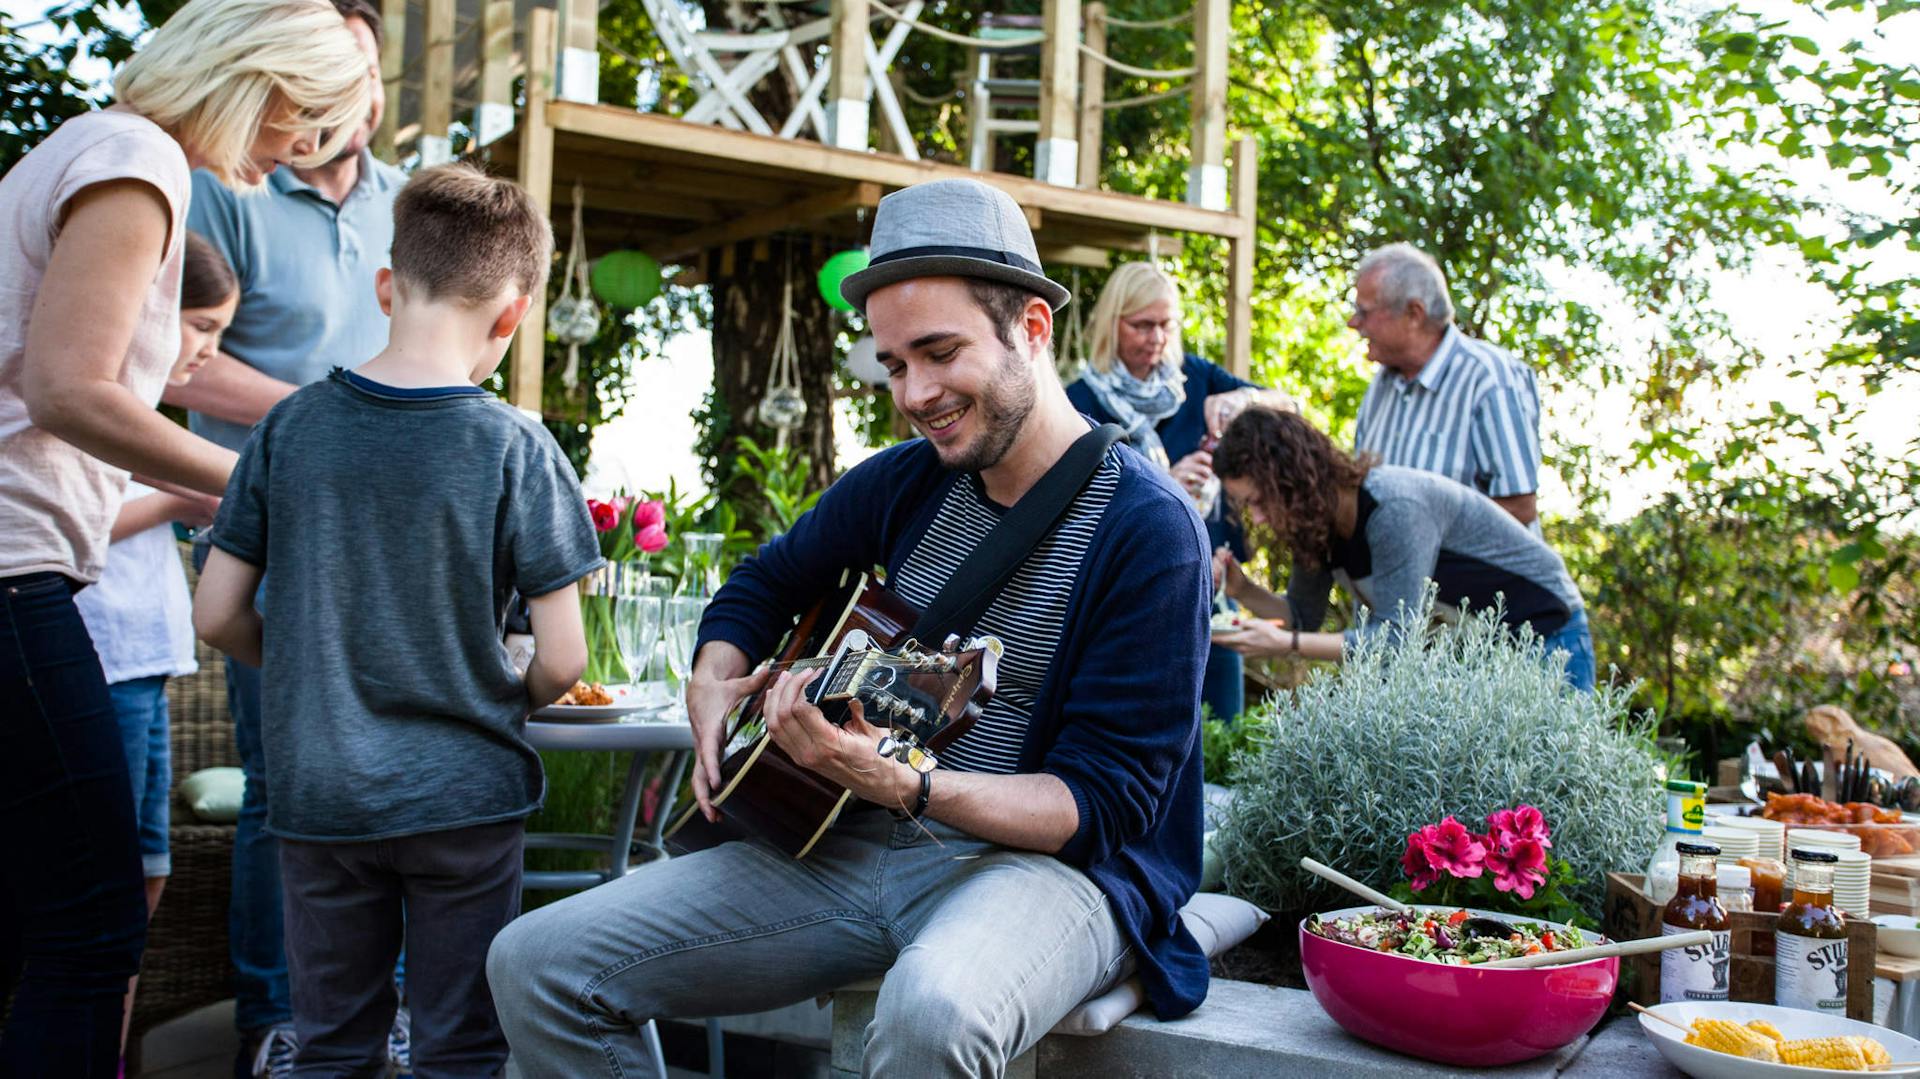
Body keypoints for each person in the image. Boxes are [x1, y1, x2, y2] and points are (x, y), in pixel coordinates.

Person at [486, 178, 1213, 1077]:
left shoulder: (1149, 531)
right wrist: (712, 676)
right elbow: (764, 581)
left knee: (932, 1015)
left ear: (1032, 327)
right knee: (536, 962)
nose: (917, 392)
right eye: (895, 364)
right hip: (854, 838)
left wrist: (908, 782)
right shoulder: (907, 479)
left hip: (1052, 871)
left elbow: (1100, 806)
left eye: (940, 351)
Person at [0, 0, 370, 1070]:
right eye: (305, 122)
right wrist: (270, 481)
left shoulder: (95, 147)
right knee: (95, 922)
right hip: (14, 568)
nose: (300, 150)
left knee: (30, 912)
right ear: (262, 85)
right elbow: (71, 389)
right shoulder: (137, 162)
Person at [193, 162, 601, 1076]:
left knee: (332, 1043)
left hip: (322, 793)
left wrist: (303, 669)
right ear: (512, 315)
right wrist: (503, 691)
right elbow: (564, 657)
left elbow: (216, 614)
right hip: (465, 798)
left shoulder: (289, 428)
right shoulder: (516, 445)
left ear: (386, 286)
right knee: (460, 1046)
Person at [156, 1, 405, 1068]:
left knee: (390, 771)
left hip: (386, 539)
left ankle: (385, 1011)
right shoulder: (228, 185)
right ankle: (275, 1021)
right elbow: (182, 359)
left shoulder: (406, 203)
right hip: (263, 529)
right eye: (327, 73)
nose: (346, 99)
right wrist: (334, 408)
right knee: (286, 780)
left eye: (363, 73)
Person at [74, 232, 237, 1066]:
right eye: (202, 326)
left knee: (149, 869)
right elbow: (82, 522)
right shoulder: (89, 401)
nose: (207, 351)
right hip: (103, 659)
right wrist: (183, 495)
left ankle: (115, 1050)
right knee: (104, 882)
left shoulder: (145, 414)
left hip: (148, 661)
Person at [1208, 407, 1596, 691]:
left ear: (1291, 481)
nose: (1257, 518)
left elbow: (1395, 639)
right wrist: (1243, 590)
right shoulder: (1315, 526)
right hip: (1483, 655)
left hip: (1548, 633)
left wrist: (1288, 645)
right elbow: (1302, 617)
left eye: (1260, 500)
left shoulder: (1393, 507)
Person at [1064, 261, 1293, 723]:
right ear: (1112, 322)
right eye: (1142, 325)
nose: (1157, 338)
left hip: (1210, 588)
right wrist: (1164, 483)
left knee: (1225, 725)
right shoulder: (1079, 401)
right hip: (1128, 594)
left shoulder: (1195, 379)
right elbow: (1075, 505)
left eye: (1166, 324)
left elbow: (1288, 405)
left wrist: (1242, 400)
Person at [1347, 243, 1544, 530]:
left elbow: (1519, 507)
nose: (1353, 323)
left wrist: (1422, 543)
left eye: (1363, 312)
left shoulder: (1489, 377)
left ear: (1414, 314)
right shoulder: (1382, 384)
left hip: (1474, 562)